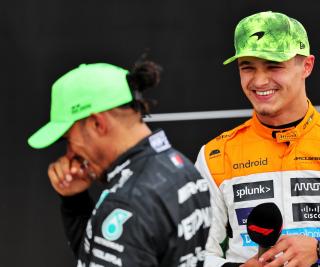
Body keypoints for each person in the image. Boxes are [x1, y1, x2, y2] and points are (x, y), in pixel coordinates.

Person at [195, 11, 320, 267]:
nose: (259, 81)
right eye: (247, 67)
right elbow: (193, 257)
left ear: (307, 66)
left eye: (273, 66)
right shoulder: (216, 155)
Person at [28, 60, 211, 267]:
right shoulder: (184, 170)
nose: (70, 154)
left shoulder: (127, 204)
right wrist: (75, 202)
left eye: (69, 139)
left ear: (98, 124)